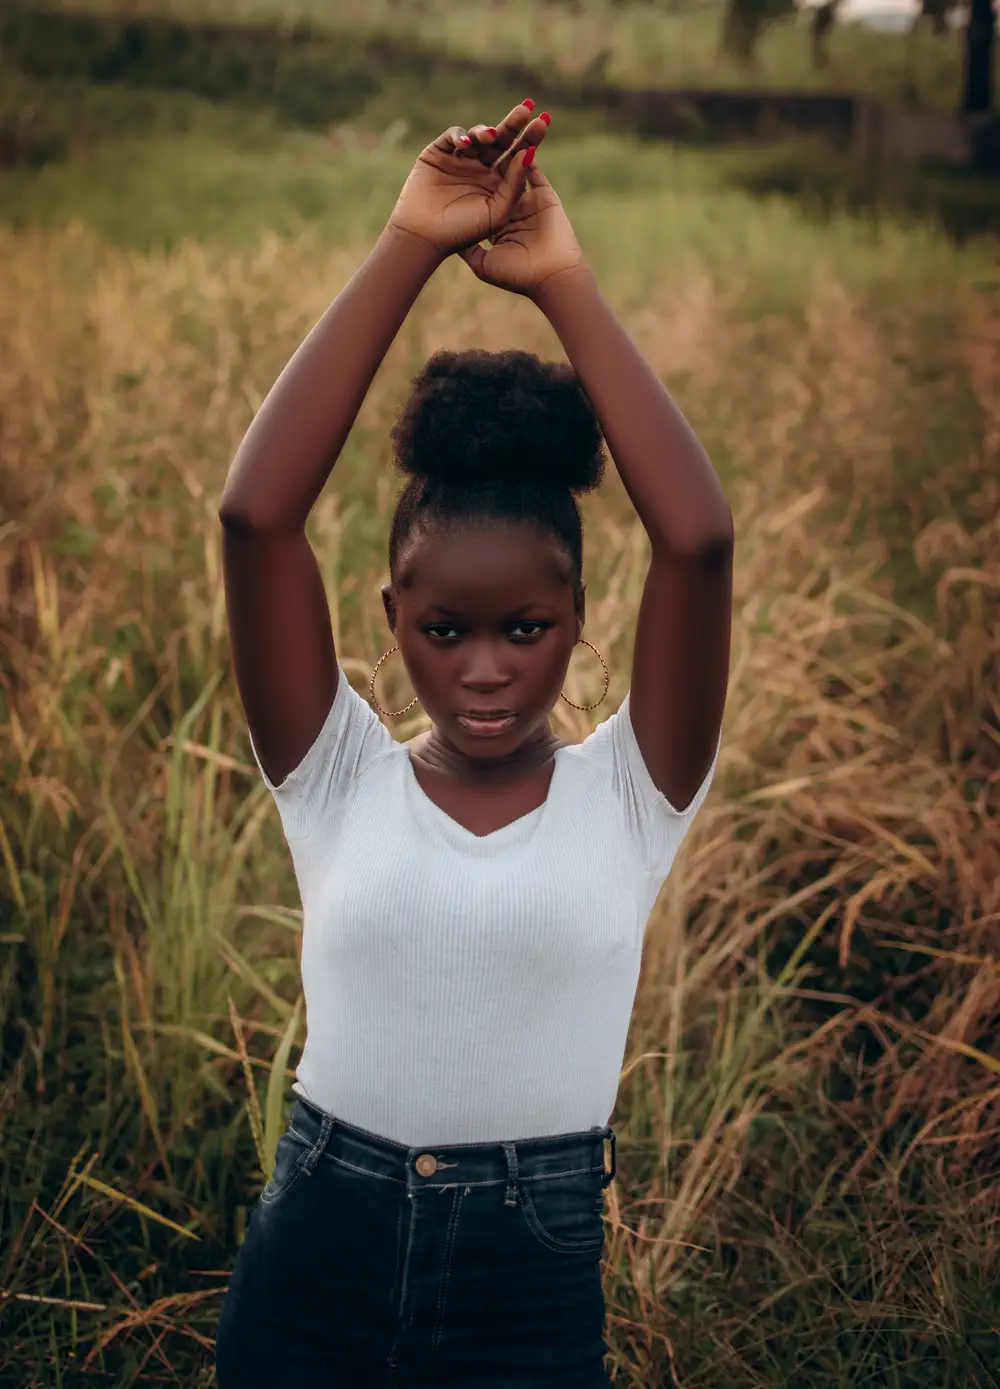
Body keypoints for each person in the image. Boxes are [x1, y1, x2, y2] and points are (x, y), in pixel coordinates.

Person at [214, 98, 733, 1389]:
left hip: (529, 1277)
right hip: (321, 1249)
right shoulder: (335, 776)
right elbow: (253, 519)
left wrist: (562, 283)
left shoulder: (635, 790)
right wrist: (409, 241)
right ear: (392, 619)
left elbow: (701, 541)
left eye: (527, 628)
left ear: (575, 622)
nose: (488, 671)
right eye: (446, 630)